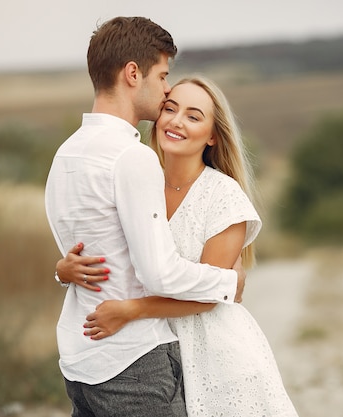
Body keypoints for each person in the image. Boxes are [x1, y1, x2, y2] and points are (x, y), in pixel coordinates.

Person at [57, 76, 299, 416]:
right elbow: (111, 251)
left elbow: (209, 297)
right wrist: (63, 269)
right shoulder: (140, 179)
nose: (176, 121)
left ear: (213, 135)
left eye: (193, 115)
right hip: (151, 350)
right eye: (170, 109)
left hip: (214, 353)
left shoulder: (223, 197)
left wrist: (132, 310)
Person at [44, 17, 246, 417]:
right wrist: (229, 281)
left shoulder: (66, 153)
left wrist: (61, 270)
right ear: (132, 74)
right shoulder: (132, 157)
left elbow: (83, 252)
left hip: (80, 360)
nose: (167, 88)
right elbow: (160, 274)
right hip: (132, 362)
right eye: (163, 75)